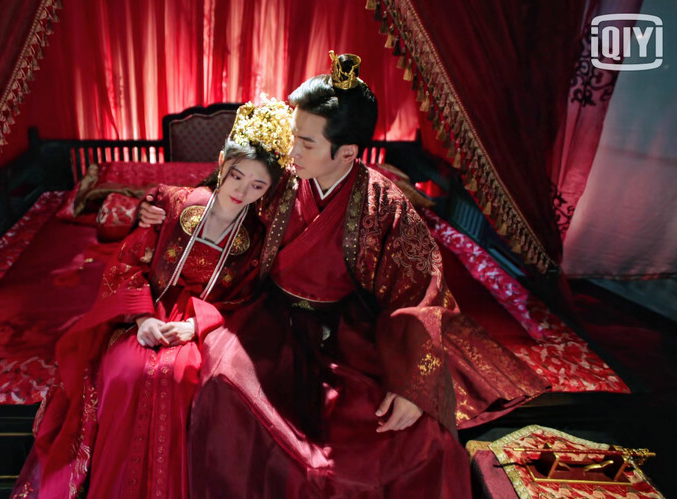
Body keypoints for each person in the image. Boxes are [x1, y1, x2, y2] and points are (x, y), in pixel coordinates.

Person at [140, 51, 547, 497]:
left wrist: (412, 387)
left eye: (306, 143)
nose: (291, 151)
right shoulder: (280, 177)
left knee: (413, 441)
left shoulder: (385, 206)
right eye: (293, 137)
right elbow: (223, 188)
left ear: (348, 152)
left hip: (347, 328)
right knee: (224, 392)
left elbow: (418, 294)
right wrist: (165, 208)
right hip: (268, 317)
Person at [11, 97, 294, 498]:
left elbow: (246, 299)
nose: (241, 190)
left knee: (183, 377)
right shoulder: (172, 203)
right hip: (146, 308)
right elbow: (128, 261)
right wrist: (143, 319)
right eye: (236, 176)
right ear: (221, 163)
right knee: (126, 371)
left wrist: (195, 327)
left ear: (269, 189)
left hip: (202, 324)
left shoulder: (257, 239)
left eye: (257, 185)